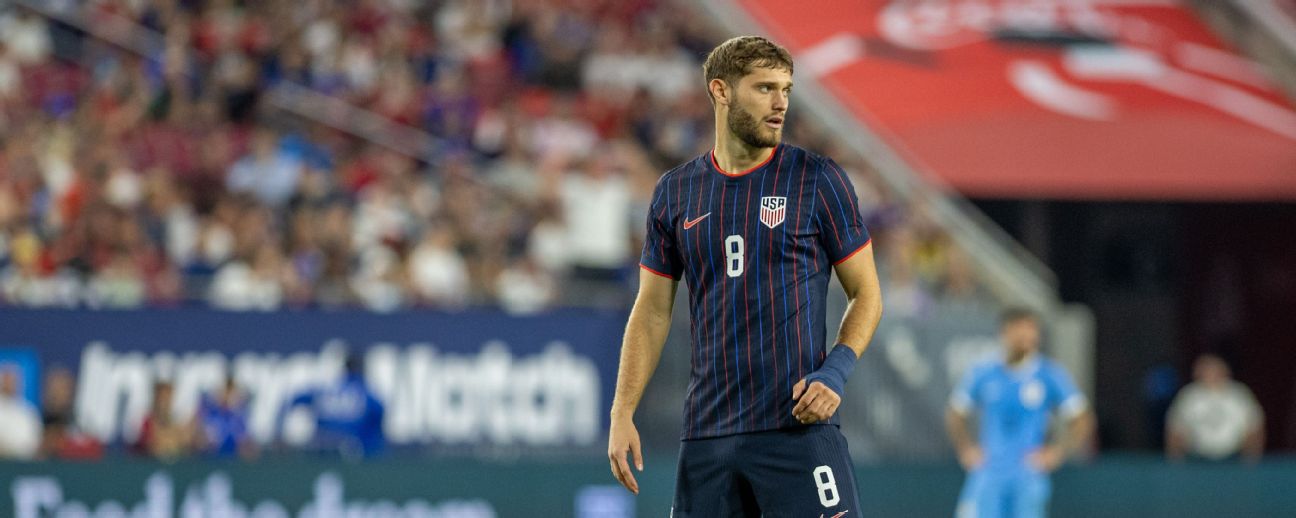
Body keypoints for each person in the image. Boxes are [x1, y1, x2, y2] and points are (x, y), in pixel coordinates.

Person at [607, 36, 884, 517]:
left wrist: (835, 372)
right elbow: (651, 310)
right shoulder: (675, 192)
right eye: (764, 88)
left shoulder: (817, 179)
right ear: (721, 90)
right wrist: (622, 411)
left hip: (797, 429)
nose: (781, 103)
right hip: (708, 439)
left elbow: (867, 294)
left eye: (786, 89)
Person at [946, 309, 1095, 518]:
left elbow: (1081, 418)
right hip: (989, 472)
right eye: (1020, 330)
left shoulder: (1049, 374)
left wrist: (1057, 453)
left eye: (1032, 330)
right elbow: (956, 412)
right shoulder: (984, 372)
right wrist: (965, 449)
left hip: (1028, 474)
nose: (1027, 336)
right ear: (1005, 333)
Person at [281, 354, 385, 459]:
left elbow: (297, 398)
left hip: (321, 447)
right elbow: (378, 412)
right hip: (351, 449)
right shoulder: (364, 393)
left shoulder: (327, 389)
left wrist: (283, 431)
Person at [1165, 354, 1264, 463]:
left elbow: (1255, 427)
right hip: (1196, 459)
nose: (1211, 373)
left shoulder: (1239, 394)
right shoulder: (1188, 395)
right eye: (1206, 369)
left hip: (1233, 458)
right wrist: (1176, 461)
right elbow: (1175, 429)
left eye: (1214, 369)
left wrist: (1251, 459)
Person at [193, 376, 257, 459]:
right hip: (211, 459)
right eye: (225, 392)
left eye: (231, 393)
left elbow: (245, 442)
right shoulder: (210, 414)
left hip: (233, 460)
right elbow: (199, 440)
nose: (227, 397)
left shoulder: (239, 416)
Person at [135, 380, 193, 460]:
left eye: (167, 398)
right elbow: (150, 447)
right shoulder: (146, 421)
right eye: (161, 398)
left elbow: (184, 447)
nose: (163, 402)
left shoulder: (179, 423)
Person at [0, 368, 41, 459]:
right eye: (7, 380)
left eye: (13, 381)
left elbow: (33, 441)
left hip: (22, 461)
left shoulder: (28, 410)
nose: (10, 384)